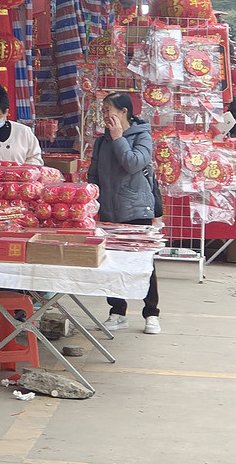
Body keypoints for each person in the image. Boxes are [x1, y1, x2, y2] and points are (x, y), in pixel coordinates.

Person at [87, 92, 161, 335]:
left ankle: (151, 313)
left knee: (143, 263)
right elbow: (94, 174)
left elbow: (133, 163)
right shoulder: (101, 141)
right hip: (109, 209)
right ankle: (117, 311)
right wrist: (92, 201)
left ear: (124, 112)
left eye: (110, 109)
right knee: (112, 262)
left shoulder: (142, 136)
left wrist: (119, 138)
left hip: (136, 208)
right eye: (103, 110)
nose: (105, 114)